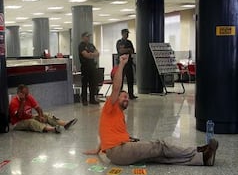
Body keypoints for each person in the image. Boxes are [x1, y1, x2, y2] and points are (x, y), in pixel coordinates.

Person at [84, 54, 219, 166]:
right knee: (159, 146)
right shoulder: (110, 106)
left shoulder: (115, 115)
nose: (126, 99)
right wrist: (122, 64)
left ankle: (202, 159)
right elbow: (116, 88)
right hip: (119, 151)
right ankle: (197, 149)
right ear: (115, 98)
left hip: (117, 152)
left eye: (127, 98)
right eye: (123, 97)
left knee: (159, 156)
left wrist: (97, 150)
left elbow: (105, 132)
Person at [9, 84, 78, 133]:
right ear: (19, 93)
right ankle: (53, 129)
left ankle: (64, 124)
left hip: (29, 117)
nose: (27, 95)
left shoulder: (28, 97)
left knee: (46, 115)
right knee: (31, 122)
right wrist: (23, 102)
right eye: (25, 94)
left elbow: (38, 108)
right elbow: (19, 116)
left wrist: (41, 116)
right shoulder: (14, 102)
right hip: (17, 122)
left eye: (27, 93)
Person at [78, 32, 100, 106]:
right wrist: (92, 55)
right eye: (87, 36)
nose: (88, 38)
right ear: (83, 37)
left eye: (89, 36)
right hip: (85, 67)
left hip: (92, 67)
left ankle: (92, 99)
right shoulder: (81, 45)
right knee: (84, 84)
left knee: (92, 84)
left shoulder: (91, 45)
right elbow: (86, 55)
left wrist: (91, 54)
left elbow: (97, 53)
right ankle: (84, 100)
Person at [116, 29, 137, 100]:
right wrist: (128, 50)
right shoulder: (119, 42)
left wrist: (126, 50)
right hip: (122, 63)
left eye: (128, 33)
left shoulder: (129, 42)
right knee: (120, 80)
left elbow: (132, 51)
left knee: (130, 79)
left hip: (129, 62)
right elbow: (120, 51)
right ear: (122, 34)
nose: (127, 35)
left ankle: (131, 94)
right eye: (126, 33)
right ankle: (119, 94)